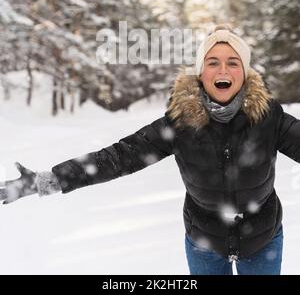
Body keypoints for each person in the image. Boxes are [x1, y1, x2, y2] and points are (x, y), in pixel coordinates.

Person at [1, 23, 299, 275]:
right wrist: (51, 179)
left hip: (262, 239)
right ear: (201, 72)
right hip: (205, 241)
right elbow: (119, 156)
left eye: (233, 62)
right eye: (213, 62)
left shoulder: (268, 118)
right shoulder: (180, 122)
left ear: (244, 73)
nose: (223, 69)